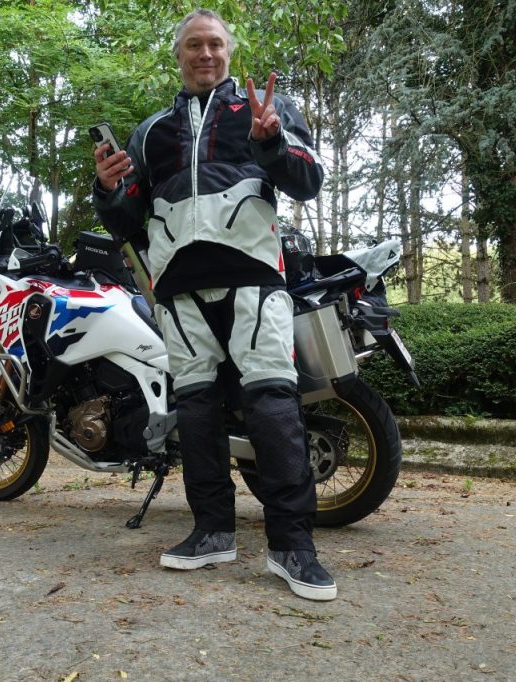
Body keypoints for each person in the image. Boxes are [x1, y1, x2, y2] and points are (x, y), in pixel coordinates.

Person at [92, 8, 335, 601]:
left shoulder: (262, 110)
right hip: (178, 290)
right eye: (195, 45)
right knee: (197, 412)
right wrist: (109, 189)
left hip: (254, 279)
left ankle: (294, 547)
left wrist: (271, 143)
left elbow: (308, 181)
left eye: (216, 44)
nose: (206, 54)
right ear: (179, 55)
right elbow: (128, 218)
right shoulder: (151, 132)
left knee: (273, 405)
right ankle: (211, 532)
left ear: (229, 51)